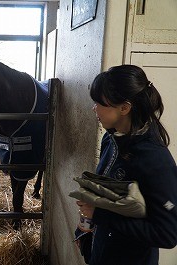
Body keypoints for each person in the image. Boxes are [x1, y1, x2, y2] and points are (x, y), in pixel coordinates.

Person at [74, 64, 177, 264]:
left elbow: (167, 234)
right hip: (104, 251)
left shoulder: (155, 160)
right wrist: (86, 229)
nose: (94, 108)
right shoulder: (111, 138)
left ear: (124, 108)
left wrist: (100, 215)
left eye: (99, 103)